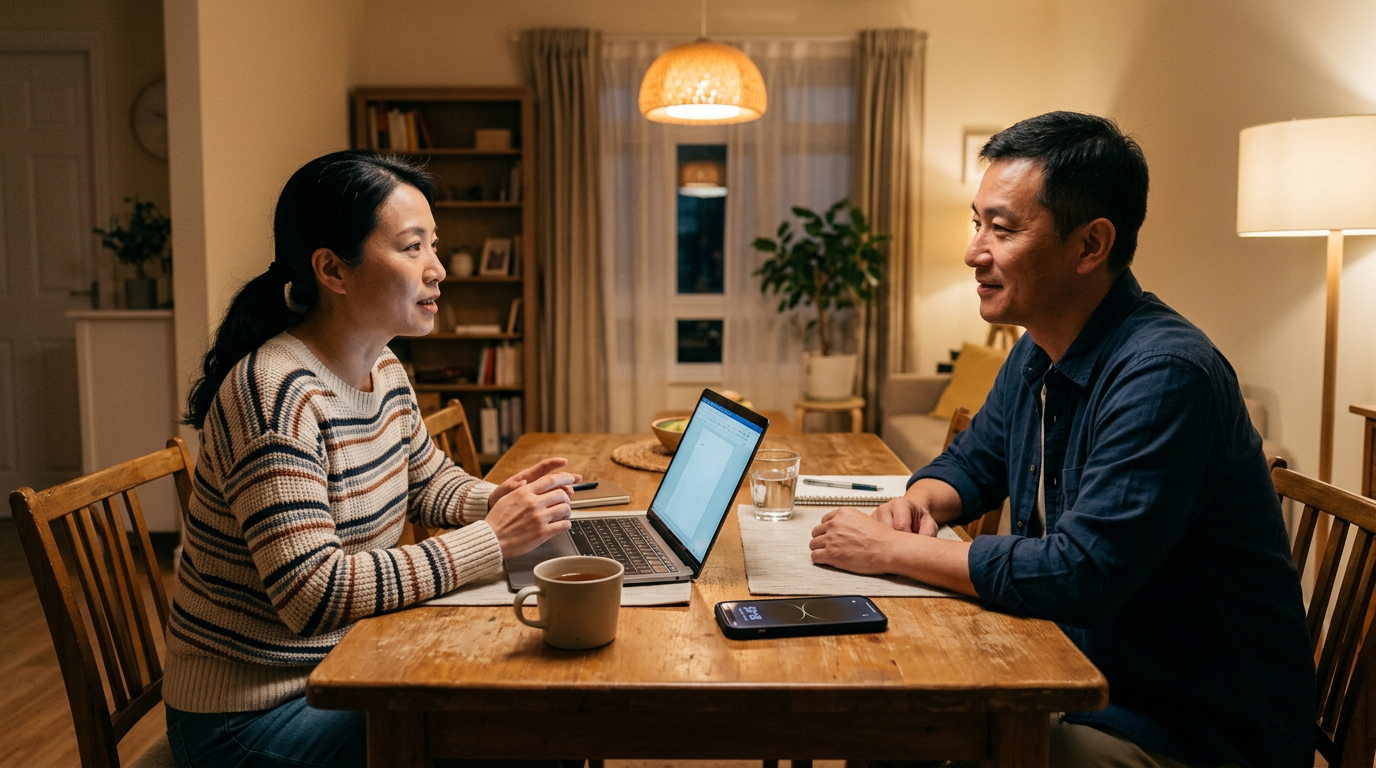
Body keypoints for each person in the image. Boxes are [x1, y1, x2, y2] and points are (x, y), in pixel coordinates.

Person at [808, 112, 1314, 767]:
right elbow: (972, 459)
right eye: (977, 221)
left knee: (905, 728)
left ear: (1090, 246)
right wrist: (922, 504)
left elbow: (1081, 574)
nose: (974, 251)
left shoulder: (1163, 374)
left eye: (1003, 228)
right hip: (1078, 672)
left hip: (1185, 729)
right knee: (887, 714)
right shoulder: (1038, 349)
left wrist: (889, 552)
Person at [165, 150, 579, 768]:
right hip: (252, 715)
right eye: (413, 247)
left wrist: (501, 501)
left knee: (533, 700)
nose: (437, 269)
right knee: (527, 723)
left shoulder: (382, 366)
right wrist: (491, 540)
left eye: (433, 246)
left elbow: (425, 479)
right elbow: (312, 592)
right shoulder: (274, 394)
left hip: (345, 666)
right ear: (333, 269)